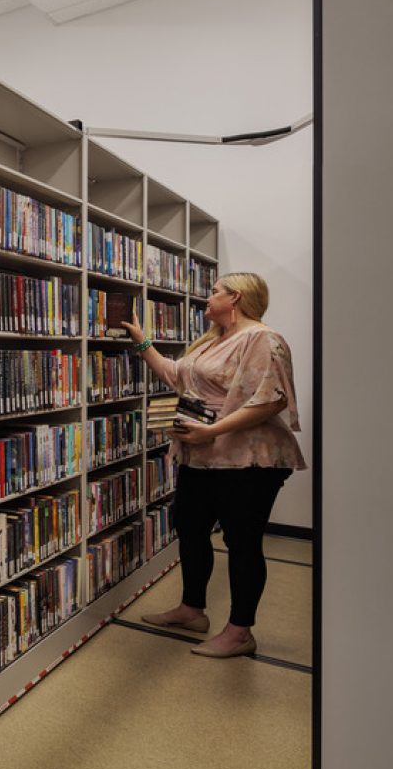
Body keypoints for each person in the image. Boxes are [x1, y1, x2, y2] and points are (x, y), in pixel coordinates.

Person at [121, 272, 305, 658]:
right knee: (189, 528)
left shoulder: (262, 339)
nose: (207, 299)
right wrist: (144, 343)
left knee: (242, 542)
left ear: (235, 298)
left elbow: (272, 400)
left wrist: (214, 430)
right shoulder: (213, 341)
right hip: (201, 455)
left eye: (214, 293)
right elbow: (177, 377)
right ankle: (192, 609)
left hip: (247, 462)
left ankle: (240, 631)